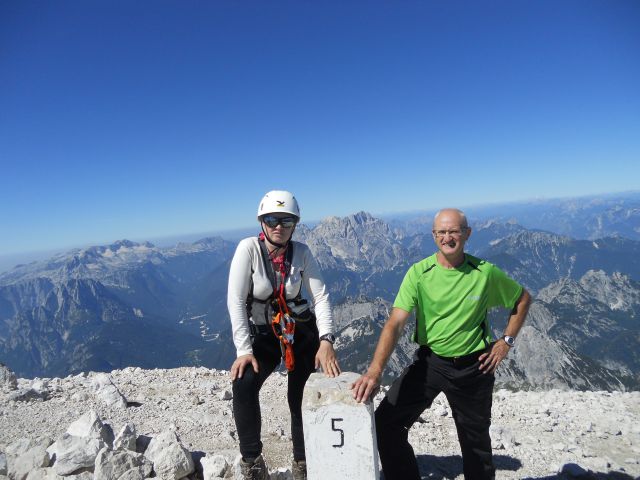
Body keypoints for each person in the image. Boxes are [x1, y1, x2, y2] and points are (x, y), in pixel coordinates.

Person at [352, 208, 531, 480]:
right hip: (430, 363)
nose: (447, 238)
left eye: (454, 231)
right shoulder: (419, 273)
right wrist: (375, 372)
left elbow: (522, 299)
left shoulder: (484, 273)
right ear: (433, 235)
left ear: (467, 234)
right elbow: (395, 323)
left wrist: (506, 341)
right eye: (441, 232)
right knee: (386, 424)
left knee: (475, 445)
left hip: (475, 367)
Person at [227, 190, 341, 480]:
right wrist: (243, 350)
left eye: (286, 221)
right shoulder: (248, 249)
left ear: (295, 224)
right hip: (264, 334)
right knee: (243, 385)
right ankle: (251, 462)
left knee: (298, 396)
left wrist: (326, 340)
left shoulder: (302, 252)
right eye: (272, 219)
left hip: (300, 331)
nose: (279, 226)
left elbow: (322, 296)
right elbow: (235, 300)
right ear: (262, 221)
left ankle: (303, 463)